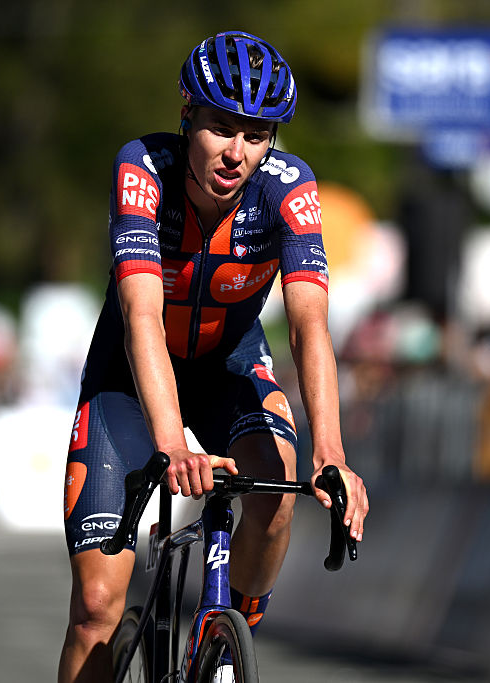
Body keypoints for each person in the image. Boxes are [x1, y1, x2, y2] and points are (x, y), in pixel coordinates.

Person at [58, 31, 369, 681]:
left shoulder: (289, 189)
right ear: (187, 117)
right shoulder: (143, 169)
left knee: (276, 490)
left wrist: (332, 455)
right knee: (95, 607)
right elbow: (141, 313)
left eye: (255, 136)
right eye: (220, 129)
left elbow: (311, 327)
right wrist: (171, 442)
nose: (236, 153)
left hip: (228, 364)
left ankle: (228, 642)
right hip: (133, 375)